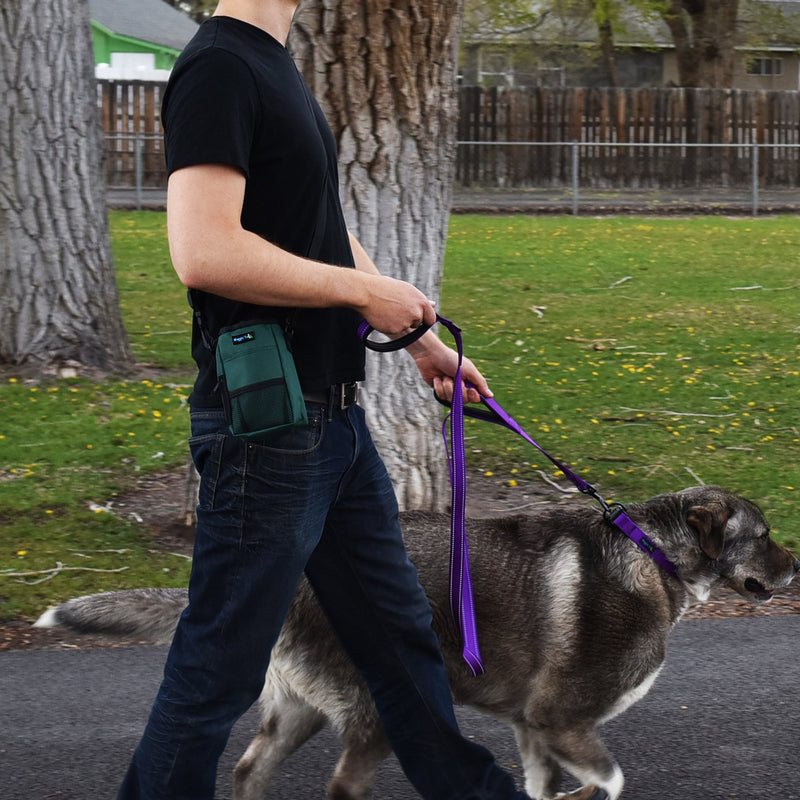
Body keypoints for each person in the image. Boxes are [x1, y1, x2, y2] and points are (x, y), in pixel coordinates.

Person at [118, 1, 531, 798]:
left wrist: (421, 344)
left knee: (397, 638)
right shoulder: (219, 67)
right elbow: (202, 251)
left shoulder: (273, 63)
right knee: (221, 666)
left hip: (332, 424)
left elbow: (321, 231)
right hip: (269, 429)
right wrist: (362, 293)